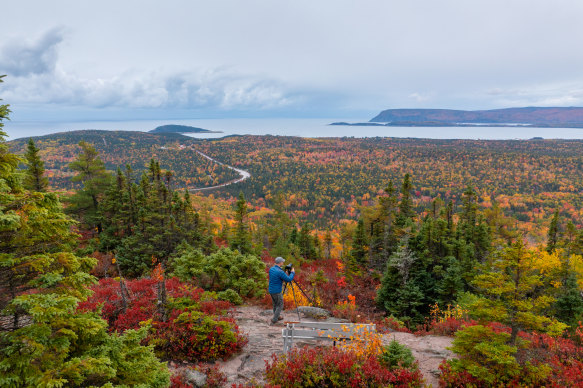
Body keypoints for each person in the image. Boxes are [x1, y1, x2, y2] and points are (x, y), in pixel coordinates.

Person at [268, 256, 295, 325]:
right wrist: (292, 273)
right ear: (280, 262)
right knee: (280, 305)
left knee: (275, 304)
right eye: (282, 261)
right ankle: (274, 320)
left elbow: (276, 277)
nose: (283, 262)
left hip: (271, 290)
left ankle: (277, 316)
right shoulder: (280, 272)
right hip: (277, 291)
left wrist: (284, 274)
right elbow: (288, 279)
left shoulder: (271, 269)